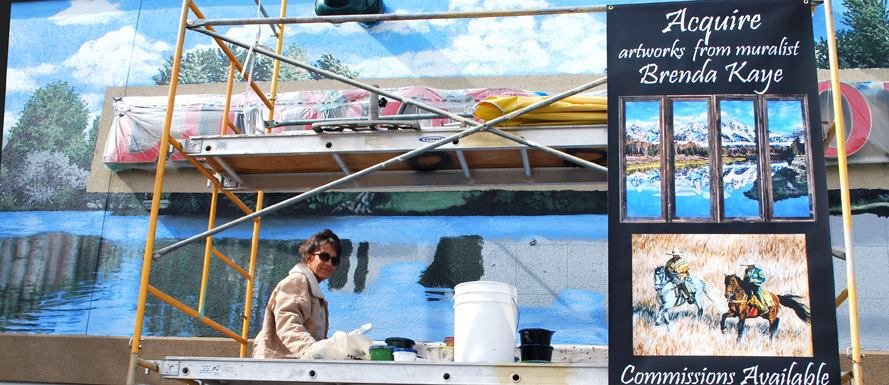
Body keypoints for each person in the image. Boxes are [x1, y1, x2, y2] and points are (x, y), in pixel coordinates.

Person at [253, 229, 342, 359]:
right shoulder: (297, 281)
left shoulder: (311, 289)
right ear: (309, 256)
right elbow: (287, 323)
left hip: (295, 368)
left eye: (334, 261)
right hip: (279, 368)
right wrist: (312, 351)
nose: (329, 263)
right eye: (324, 257)